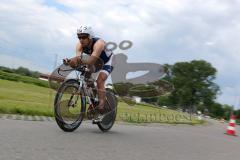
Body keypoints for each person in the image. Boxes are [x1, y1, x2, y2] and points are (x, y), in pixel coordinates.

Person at [64, 25, 114, 122]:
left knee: (100, 80)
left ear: (90, 36)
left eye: (84, 37)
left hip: (108, 61)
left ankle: (101, 108)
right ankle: (95, 100)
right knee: (87, 78)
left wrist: (76, 62)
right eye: (79, 37)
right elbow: (79, 59)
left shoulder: (99, 44)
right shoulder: (79, 45)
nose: (81, 40)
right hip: (96, 61)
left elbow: (90, 61)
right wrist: (70, 62)